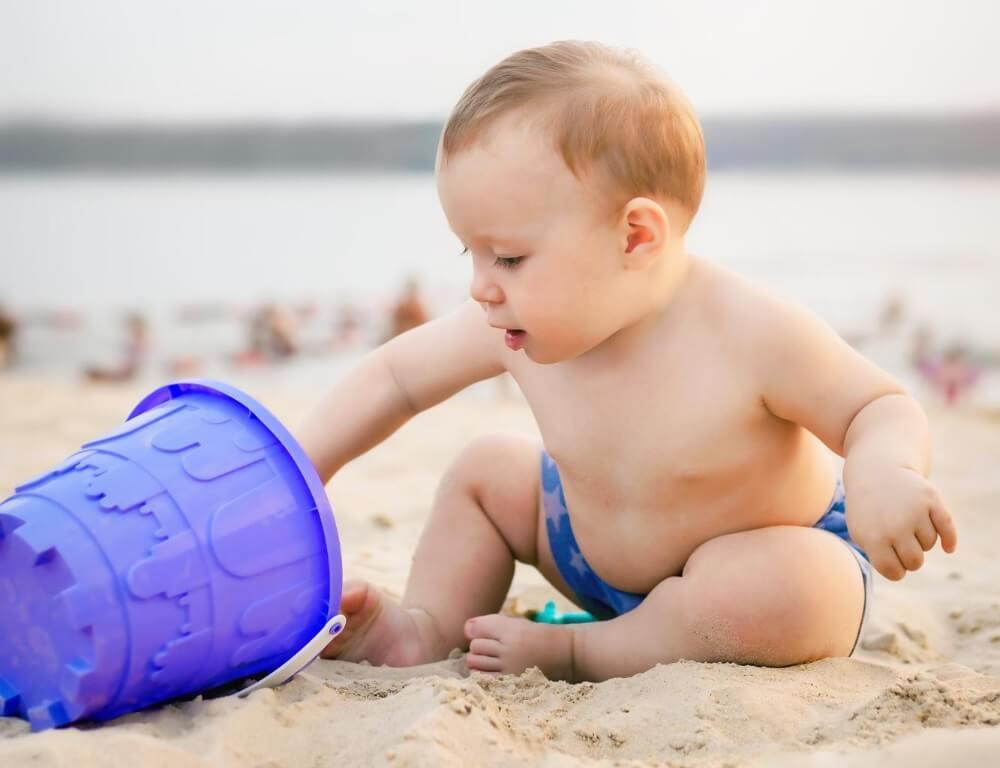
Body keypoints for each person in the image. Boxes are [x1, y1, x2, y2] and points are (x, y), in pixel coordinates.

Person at [299, 41, 957, 682]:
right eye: (467, 254)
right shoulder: (510, 325)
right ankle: (427, 629)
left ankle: (586, 653)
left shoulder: (748, 331)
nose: (480, 286)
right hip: (588, 553)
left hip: (739, 576)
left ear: (635, 236)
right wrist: (305, 467)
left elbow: (878, 405)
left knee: (801, 587)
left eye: (508, 257)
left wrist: (883, 472)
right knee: (486, 470)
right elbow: (395, 379)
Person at [84, 311, 148, 383]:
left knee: (93, 372)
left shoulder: (139, 344)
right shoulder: (136, 343)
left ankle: (98, 376)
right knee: (93, 371)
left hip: (127, 373)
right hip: (127, 372)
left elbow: (133, 366)